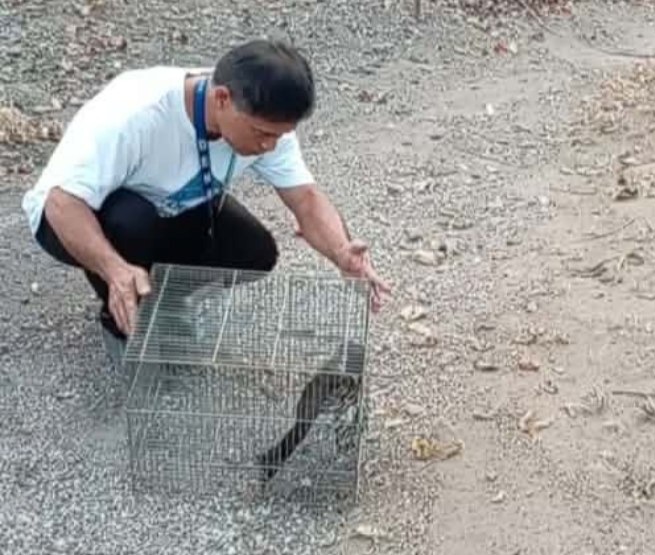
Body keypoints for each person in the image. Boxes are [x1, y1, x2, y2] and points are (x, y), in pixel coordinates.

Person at [21, 39, 391, 357]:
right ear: (222, 98)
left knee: (254, 253)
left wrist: (341, 253)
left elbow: (306, 199)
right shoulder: (137, 114)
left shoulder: (264, 120)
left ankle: (162, 296)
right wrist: (115, 271)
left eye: (279, 136)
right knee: (131, 221)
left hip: (172, 204)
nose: (269, 146)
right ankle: (120, 310)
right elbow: (61, 203)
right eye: (262, 134)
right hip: (71, 216)